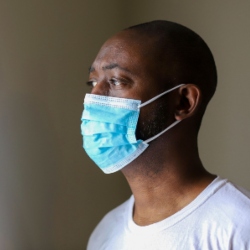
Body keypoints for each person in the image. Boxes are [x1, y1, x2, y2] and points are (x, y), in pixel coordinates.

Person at [81, 20, 250, 249]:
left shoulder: (239, 226)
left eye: (117, 81)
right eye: (93, 82)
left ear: (183, 102)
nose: (94, 96)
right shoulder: (105, 232)